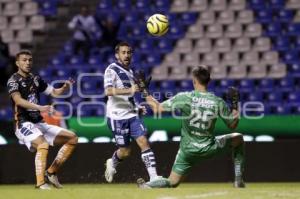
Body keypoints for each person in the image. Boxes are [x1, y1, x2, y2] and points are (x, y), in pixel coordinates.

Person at [135, 65, 245, 188]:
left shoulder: (185, 97)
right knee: (238, 138)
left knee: (172, 182)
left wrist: (144, 90)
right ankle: (238, 180)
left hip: (187, 151)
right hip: (209, 148)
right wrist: (235, 105)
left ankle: (149, 185)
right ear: (209, 81)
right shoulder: (217, 102)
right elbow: (233, 125)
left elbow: (157, 108)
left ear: (194, 81)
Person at [7, 50, 78, 190]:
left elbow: (54, 92)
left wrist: (64, 87)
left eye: (30, 60)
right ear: (17, 63)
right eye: (24, 60)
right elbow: (18, 101)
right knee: (42, 144)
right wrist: (40, 107)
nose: (28, 63)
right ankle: (40, 183)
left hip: (38, 123)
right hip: (22, 123)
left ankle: (51, 172)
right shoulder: (13, 81)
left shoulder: (35, 79)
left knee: (72, 138)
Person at [103, 42, 159, 183]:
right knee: (125, 151)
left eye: (129, 52)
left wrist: (137, 107)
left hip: (132, 115)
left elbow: (130, 96)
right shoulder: (111, 70)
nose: (127, 55)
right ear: (117, 55)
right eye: (123, 52)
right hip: (117, 117)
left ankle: (154, 178)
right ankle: (113, 162)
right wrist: (131, 89)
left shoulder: (132, 72)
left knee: (143, 142)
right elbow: (108, 91)